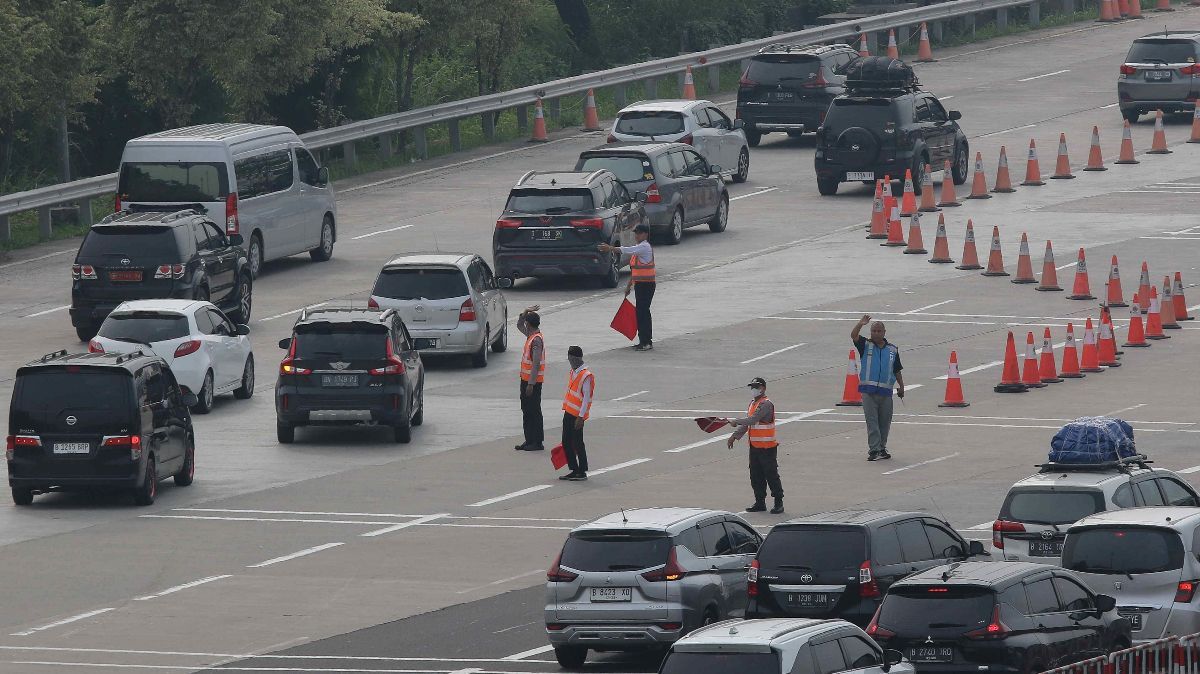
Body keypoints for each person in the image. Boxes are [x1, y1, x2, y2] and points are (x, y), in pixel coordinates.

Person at [725, 377, 784, 514]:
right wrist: (735, 435)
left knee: (771, 474)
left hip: (767, 447)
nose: (754, 390)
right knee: (755, 475)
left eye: (756, 387)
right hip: (754, 446)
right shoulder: (753, 403)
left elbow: (753, 420)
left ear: (763, 388)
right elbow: (748, 424)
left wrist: (736, 421)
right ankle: (760, 502)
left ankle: (778, 502)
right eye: (752, 387)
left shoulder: (766, 404)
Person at [851, 315, 905, 461]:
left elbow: (897, 369)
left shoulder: (892, 350)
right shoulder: (865, 345)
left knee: (885, 422)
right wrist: (860, 324)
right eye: (873, 330)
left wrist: (901, 386)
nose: (875, 333)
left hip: (886, 393)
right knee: (872, 422)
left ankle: (882, 447)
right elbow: (854, 335)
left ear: (884, 332)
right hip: (868, 392)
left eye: (878, 331)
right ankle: (874, 449)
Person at [598, 224, 655, 351]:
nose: (636, 235)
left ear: (645, 234)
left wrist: (610, 248)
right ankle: (643, 340)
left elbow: (627, 250)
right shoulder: (638, 251)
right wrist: (629, 286)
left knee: (643, 312)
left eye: (639, 233)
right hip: (640, 285)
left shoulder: (644, 246)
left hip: (647, 285)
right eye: (636, 233)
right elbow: (635, 271)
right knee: (640, 312)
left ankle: (647, 341)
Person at [560, 345, 595, 481]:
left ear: (576, 358)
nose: (570, 360)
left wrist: (581, 417)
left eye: (571, 358)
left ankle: (582, 470)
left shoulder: (585, 375)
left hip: (577, 415)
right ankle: (574, 469)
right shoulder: (573, 372)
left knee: (577, 442)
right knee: (566, 442)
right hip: (569, 412)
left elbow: (586, 398)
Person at [515, 305, 545, 451]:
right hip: (525, 380)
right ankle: (529, 439)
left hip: (532, 382)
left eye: (526, 320)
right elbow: (518, 324)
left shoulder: (536, 340)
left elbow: (536, 363)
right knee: (526, 410)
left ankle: (537, 441)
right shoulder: (530, 335)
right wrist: (525, 311)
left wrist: (531, 384)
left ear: (529, 323)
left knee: (534, 410)